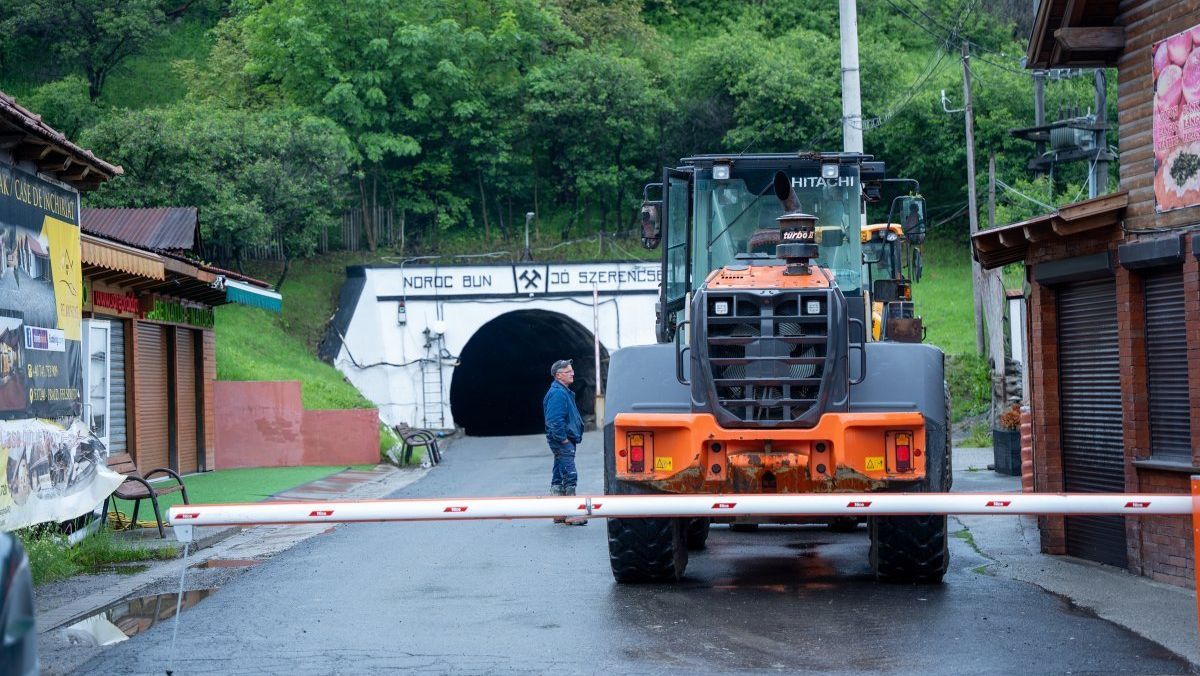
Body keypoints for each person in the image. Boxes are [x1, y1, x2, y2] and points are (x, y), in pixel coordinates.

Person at [544, 359, 585, 525]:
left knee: (559, 474)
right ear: (559, 375)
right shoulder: (558, 393)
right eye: (569, 371)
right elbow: (554, 420)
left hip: (563, 440)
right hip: (562, 441)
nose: (573, 373)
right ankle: (571, 514)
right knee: (570, 475)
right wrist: (564, 440)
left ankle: (559, 513)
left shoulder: (562, 391)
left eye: (572, 370)